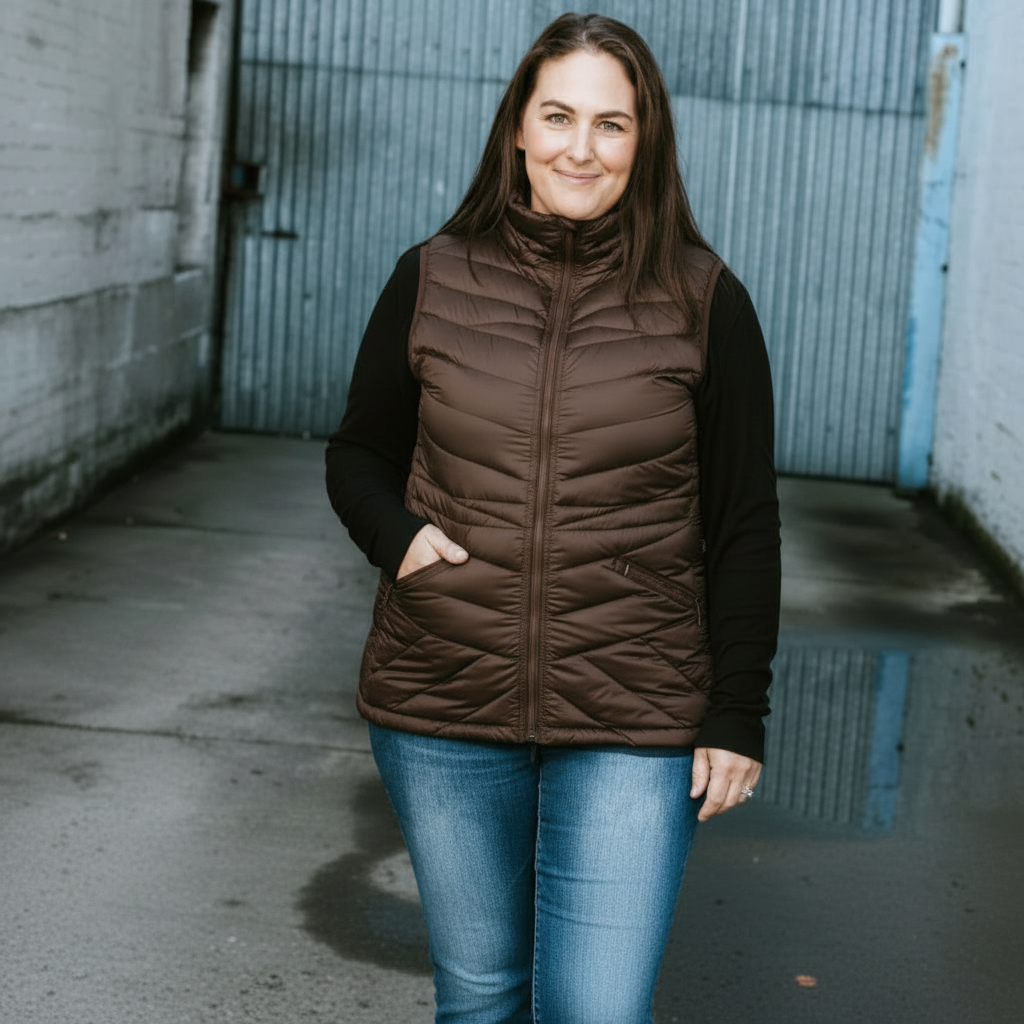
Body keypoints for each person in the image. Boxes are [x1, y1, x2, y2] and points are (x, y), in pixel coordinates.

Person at [326, 12, 780, 1023]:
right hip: (444, 697)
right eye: (560, 116)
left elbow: (744, 519)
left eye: (612, 124)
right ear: (517, 132)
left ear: (644, 141)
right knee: (481, 995)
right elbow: (358, 450)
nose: (582, 147)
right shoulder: (433, 277)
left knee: (595, 1010)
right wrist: (398, 541)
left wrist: (735, 710)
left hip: (635, 708)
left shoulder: (705, 301)